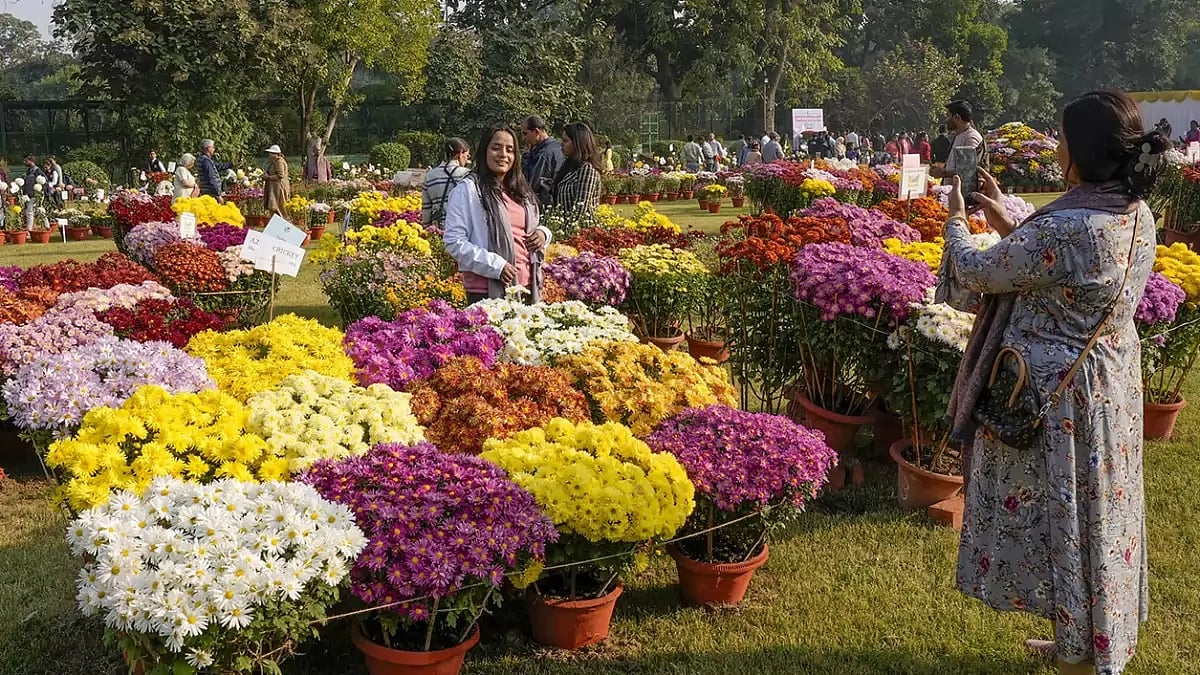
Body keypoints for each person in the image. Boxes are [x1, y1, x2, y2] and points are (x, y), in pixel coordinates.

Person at [943, 89, 1162, 675]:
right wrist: (1007, 220)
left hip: (1058, 397)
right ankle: (1084, 635)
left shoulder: (1069, 229)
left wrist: (957, 219)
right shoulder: (1132, 211)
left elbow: (978, 272)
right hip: (1109, 387)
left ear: (1081, 152)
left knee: (1066, 518)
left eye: (1062, 139)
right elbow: (1058, 263)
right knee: (1097, 519)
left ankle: (1079, 656)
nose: (1057, 147)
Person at [444, 125, 552, 305]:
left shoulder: (521, 192)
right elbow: (454, 242)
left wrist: (543, 234)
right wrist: (496, 266)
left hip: (526, 285)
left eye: (509, 150)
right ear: (484, 151)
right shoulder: (469, 190)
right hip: (487, 290)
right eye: (496, 148)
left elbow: (528, 228)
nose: (503, 154)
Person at [551, 122, 603, 217]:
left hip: (579, 228)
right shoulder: (568, 166)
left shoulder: (587, 169)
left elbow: (581, 209)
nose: (561, 144)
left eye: (566, 141)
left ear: (578, 143)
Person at [421, 137, 471, 226]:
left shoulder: (430, 176)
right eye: (467, 156)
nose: (467, 160)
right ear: (460, 153)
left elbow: (426, 208)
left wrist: (427, 229)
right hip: (461, 228)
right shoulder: (466, 174)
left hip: (438, 228)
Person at [932, 100, 986, 180]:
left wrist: (943, 172)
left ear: (957, 117)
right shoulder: (959, 135)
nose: (946, 120)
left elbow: (968, 170)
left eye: (949, 116)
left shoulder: (971, 137)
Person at [520, 115, 563, 207]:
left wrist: (526, 156)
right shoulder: (558, 147)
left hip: (542, 205)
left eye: (525, 134)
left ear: (536, 131)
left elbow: (530, 186)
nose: (524, 138)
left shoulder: (544, 155)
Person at [263, 145, 290, 217]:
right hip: (275, 188)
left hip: (279, 188)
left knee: (280, 206)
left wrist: (268, 177)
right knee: (274, 206)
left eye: (271, 153)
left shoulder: (279, 162)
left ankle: (283, 221)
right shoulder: (274, 162)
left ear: (275, 154)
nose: (269, 155)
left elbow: (280, 175)